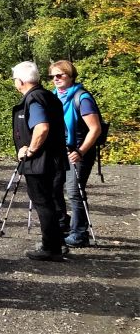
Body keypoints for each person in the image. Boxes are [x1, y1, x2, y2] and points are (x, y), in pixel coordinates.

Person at [11, 61, 69, 261]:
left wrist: (30, 150)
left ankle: (50, 247)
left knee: (43, 202)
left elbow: (42, 127)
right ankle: (56, 242)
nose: (14, 83)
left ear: (20, 81)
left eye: (14, 80)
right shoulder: (48, 96)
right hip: (53, 159)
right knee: (50, 202)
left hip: (40, 162)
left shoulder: (34, 98)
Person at [49, 60, 103, 248]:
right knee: (53, 187)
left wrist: (80, 151)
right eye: (52, 76)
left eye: (60, 75)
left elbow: (95, 129)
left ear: (71, 75)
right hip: (61, 151)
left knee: (74, 192)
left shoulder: (82, 98)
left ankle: (80, 234)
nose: (56, 79)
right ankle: (63, 223)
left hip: (79, 151)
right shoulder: (55, 97)